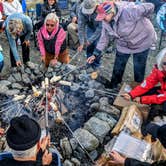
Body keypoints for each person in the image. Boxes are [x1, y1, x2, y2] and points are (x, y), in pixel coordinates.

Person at [87, 1, 157, 88]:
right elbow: (104, 38)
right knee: (118, 65)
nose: (103, 19)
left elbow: (150, 6)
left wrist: (145, 17)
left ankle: (138, 87)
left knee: (139, 66)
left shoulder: (129, 11)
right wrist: (95, 54)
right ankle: (114, 84)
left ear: (111, 11)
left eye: (104, 17)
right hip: (124, 43)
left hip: (142, 40)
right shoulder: (106, 21)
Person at [123, 48, 166, 115]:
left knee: (161, 106)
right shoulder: (159, 69)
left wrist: (142, 99)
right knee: (145, 94)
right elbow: (147, 83)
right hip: (163, 90)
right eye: (164, 63)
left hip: (164, 95)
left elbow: (164, 96)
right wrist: (131, 94)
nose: (165, 67)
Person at [77, 0, 102, 69]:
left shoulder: (100, 9)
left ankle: (96, 64)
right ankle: (89, 62)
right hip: (90, 27)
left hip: (99, 28)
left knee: (97, 45)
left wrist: (90, 40)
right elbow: (80, 27)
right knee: (89, 45)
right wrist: (82, 42)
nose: (88, 14)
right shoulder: (81, 9)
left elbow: (100, 28)